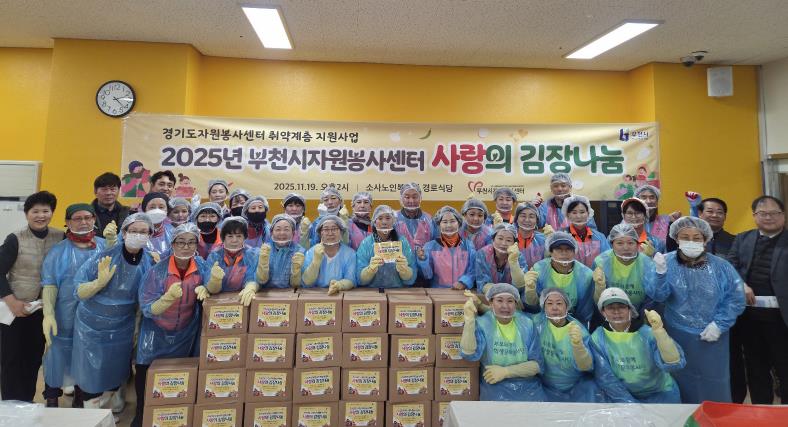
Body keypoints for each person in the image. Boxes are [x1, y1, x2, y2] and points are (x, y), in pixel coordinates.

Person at [646, 217, 745, 403]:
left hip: (713, 336)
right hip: (677, 335)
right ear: (676, 239)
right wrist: (660, 274)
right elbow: (658, 296)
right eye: (685, 237)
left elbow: (736, 297)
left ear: (706, 239)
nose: (691, 241)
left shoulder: (721, 266)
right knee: (680, 381)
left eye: (697, 238)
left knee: (714, 382)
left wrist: (719, 325)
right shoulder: (665, 262)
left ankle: (714, 416)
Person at [71, 213, 153, 409]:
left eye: (143, 232)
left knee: (114, 375)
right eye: (133, 230)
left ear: (150, 235)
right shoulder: (106, 256)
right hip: (92, 326)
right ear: (123, 233)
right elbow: (79, 290)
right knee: (90, 377)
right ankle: (89, 415)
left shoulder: (149, 260)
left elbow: (146, 295)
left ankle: (105, 412)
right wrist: (98, 283)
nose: (138, 235)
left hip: (122, 328)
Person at [132, 223, 207, 427]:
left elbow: (212, 288)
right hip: (156, 333)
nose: (186, 247)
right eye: (181, 242)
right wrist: (166, 299)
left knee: (176, 380)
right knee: (146, 374)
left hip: (185, 332)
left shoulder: (201, 266)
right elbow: (147, 307)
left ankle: (173, 415)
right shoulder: (157, 271)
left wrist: (210, 287)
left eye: (191, 242)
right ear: (172, 244)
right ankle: (141, 414)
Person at [38, 203, 105, 407]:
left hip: (94, 317)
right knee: (56, 357)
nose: (83, 222)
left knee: (86, 359)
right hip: (64, 317)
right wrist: (48, 314)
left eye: (87, 217)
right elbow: (50, 284)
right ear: (67, 222)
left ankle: (80, 398)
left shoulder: (105, 247)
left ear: (94, 220)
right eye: (77, 218)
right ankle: (51, 399)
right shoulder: (58, 252)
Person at [0, 191, 64, 402]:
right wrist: (12, 301)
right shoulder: (15, 238)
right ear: (27, 214)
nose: (41, 216)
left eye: (45, 211)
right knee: (12, 359)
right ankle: (10, 404)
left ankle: (26, 402)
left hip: (45, 310)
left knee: (33, 358)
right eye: (35, 211)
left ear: (52, 213)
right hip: (16, 310)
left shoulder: (60, 237)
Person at [727, 195, 788, 404]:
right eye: (763, 213)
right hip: (750, 316)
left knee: (784, 366)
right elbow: (730, 267)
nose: (768, 217)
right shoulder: (742, 239)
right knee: (756, 368)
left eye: (774, 213)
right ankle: (761, 412)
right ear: (754, 216)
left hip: (782, 318)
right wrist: (741, 285)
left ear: (783, 215)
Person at [590, 288, 685, 403]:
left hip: (660, 394)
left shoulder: (648, 333)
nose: (616, 312)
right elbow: (606, 378)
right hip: (623, 396)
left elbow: (673, 364)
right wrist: (630, 403)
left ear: (630, 309)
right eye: (610, 308)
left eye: (621, 306)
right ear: (603, 312)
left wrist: (660, 333)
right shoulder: (598, 338)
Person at [461, 283, 545, 401]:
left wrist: (506, 372)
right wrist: (469, 321)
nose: (505, 306)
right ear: (491, 303)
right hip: (495, 390)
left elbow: (537, 365)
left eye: (510, 301)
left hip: (529, 391)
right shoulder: (483, 324)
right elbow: (469, 354)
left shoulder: (527, 324)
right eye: (499, 300)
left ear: (516, 304)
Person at [532, 288, 600, 402]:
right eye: (549, 303)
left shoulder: (579, 331)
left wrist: (578, 346)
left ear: (567, 307)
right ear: (544, 307)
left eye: (559, 303)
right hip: (542, 386)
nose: (554, 308)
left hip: (575, 387)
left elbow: (587, 366)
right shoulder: (535, 324)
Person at [592, 223, 665, 314]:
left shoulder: (647, 263)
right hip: (609, 314)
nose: (626, 248)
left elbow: (654, 297)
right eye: (620, 243)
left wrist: (642, 317)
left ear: (637, 244)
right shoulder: (601, 262)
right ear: (612, 245)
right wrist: (599, 288)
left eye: (630, 243)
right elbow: (596, 300)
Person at [524, 231, 595, 325]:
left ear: (575, 252)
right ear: (550, 251)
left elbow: (585, 310)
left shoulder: (585, 275)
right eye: (558, 249)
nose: (564, 253)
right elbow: (534, 306)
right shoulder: (539, 269)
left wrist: (574, 325)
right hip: (544, 322)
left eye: (568, 249)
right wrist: (530, 290)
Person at [356, 205, 417, 289]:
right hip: (373, 291)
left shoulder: (402, 242)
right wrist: (370, 270)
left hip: (398, 291)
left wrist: (404, 270)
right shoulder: (366, 244)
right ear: (374, 222)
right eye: (380, 218)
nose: (384, 222)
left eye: (388, 218)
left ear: (393, 221)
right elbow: (360, 279)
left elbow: (411, 279)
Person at [416, 206, 475, 289]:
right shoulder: (430, 247)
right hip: (438, 292)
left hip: (463, 291)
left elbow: (474, 269)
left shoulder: (468, 245)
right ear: (439, 224)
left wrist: (464, 282)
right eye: (444, 222)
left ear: (459, 223)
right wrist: (423, 260)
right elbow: (427, 276)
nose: (449, 225)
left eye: (452, 221)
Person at [203, 217, 259, 304]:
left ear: (245, 237)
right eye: (230, 236)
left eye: (239, 236)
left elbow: (254, 277)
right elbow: (209, 285)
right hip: (219, 302)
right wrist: (215, 280)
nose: (234, 240)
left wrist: (251, 286)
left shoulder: (252, 255)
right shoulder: (214, 256)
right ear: (223, 237)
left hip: (243, 300)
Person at [301, 215, 356, 293]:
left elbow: (350, 279)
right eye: (326, 229)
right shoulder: (310, 253)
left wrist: (339, 285)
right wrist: (315, 262)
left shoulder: (350, 254)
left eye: (334, 229)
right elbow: (306, 282)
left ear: (341, 232)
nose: (330, 233)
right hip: (313, 295)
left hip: (340, 294)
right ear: (320, 233)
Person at [474, 223, 527, 293]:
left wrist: (514, 263)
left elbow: (520, 286)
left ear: (514, 243)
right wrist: (496, 292)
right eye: (500, 238)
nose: (503, 243)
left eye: (508, 240)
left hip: (512, 296)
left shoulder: (518, 257)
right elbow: (483, 282)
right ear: (493, 239)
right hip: (489, 295)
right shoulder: (483, 254)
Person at [561, 195, 610, 267]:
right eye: (574, 213)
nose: (578, 216)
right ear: (567, 215)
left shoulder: (600, 237)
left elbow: (607, 260)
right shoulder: (561, 237)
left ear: (588, 213)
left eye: (582, 212)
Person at [395, 183, 436, 269]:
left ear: (420, 198)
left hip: (424, 268)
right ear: (401, 198)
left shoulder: (429, 220)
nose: (411, 201)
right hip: (400, 269)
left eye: (415, 197)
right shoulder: (393, 218)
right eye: (407, 197)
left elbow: (434, 246)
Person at [259, 214, 305, 289]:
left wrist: (296, 272)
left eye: (286, 229)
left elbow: (300, 283)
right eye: (278, 229)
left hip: (290, 293)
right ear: (271, 232)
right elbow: (259, 280)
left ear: (293, 233)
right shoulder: (264, 250)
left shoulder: (300, 251)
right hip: (266, 293)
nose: (282, 233)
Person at [139, 192, 172, 261]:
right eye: (152, 207)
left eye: (161, 207)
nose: (157, 210)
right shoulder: (133, 229)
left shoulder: (173, 232)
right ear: (144, 210)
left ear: (167, 210)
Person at [514, 202, 548, 268]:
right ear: (516, 219)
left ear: (536, 220)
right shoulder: (509, 238)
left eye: (531, 217)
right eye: (523, 216)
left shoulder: (543, 240)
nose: (527, 220)